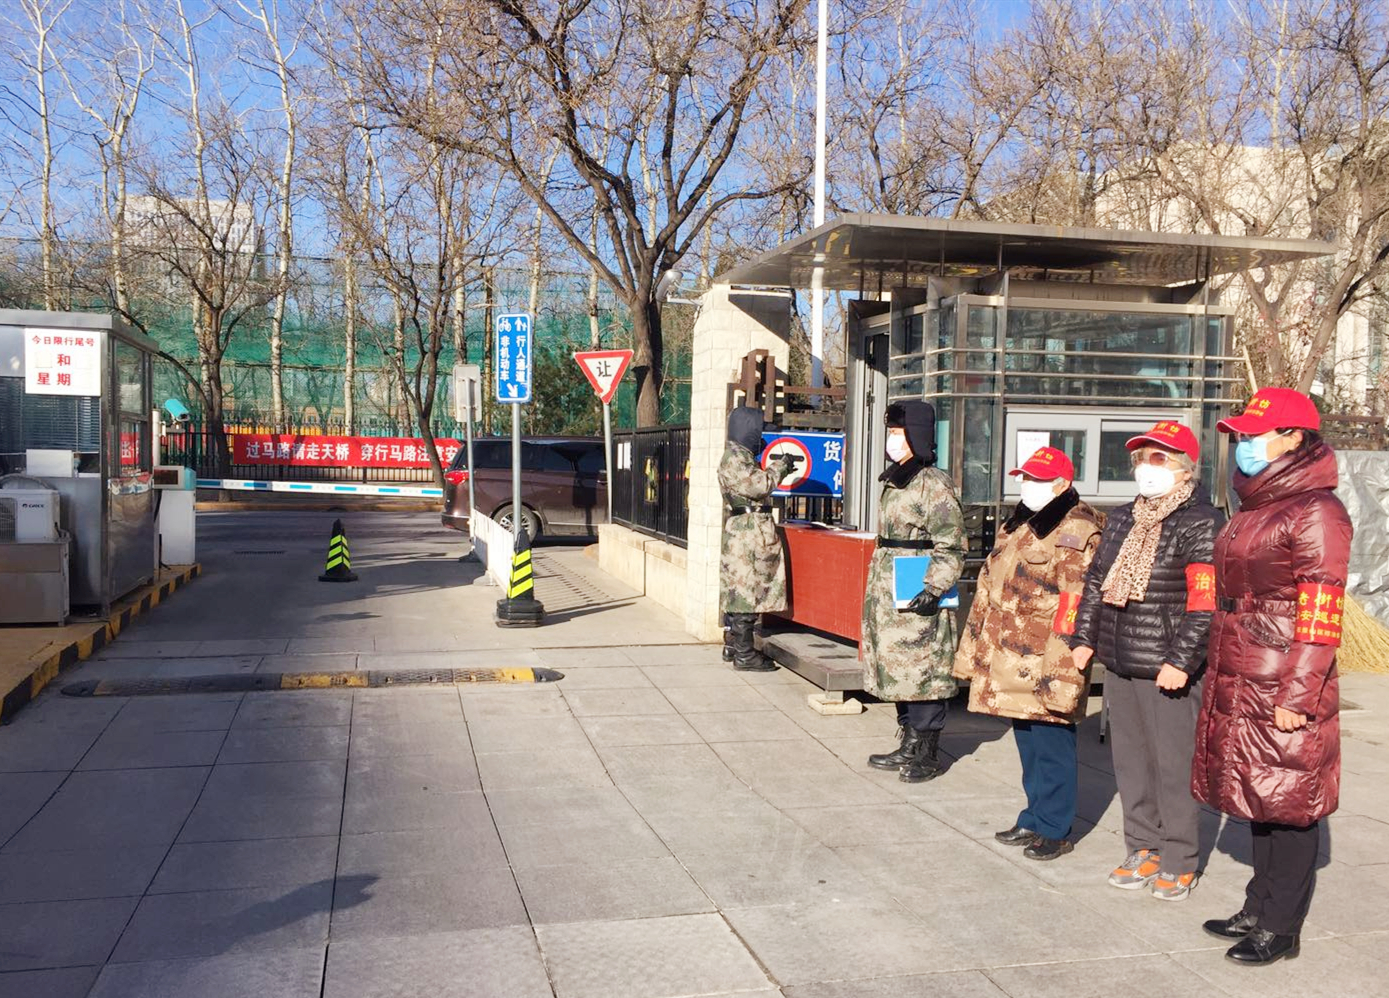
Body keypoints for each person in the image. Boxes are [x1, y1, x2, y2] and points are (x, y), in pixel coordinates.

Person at [1193, 388, 1351, 965]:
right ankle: (1258, 906)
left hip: (1282, 676)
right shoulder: (1258, 504)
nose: (1244, 444)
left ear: (1293, 438)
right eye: (1241, 435)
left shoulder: (1316, 511)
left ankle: (1281, 926)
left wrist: (1298, 694)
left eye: (1255, 435)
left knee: (1289, 800)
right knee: (1260, 793)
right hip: (1243, 668)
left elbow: (1320, 612)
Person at [1068, 420, 1223, 901]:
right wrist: (1084, 637)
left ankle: (1179, 858)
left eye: (1158, 458)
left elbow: (1205, 602)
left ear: (1185, 468)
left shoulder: (1201, 521)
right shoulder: (1122, 518)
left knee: (1173, 767)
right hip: (1120, 659)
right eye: (1140, 458)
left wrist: (1181, 659)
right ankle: (1143, 846)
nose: (1145, 468)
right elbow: (1096, 582)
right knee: (1131, 764)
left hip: (1166, 667)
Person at [953, 446, 1103, 860]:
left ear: (1062, 484)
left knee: (1052, 743)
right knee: (1028, 742)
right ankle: (1034, 816)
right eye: (1026, 478)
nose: (1028, 486)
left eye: (1038, 480)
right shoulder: (1020, 523)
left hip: (1047, 658)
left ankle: (1055, 827)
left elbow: (1076, 599)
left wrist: (1064, 666)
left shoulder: (1075, 529)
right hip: (1012, 655)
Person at [863, 400, 967, 783]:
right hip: (890, 588)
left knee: (924, 667)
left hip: (918, 586)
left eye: (898, 432)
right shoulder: (897, 479)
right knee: (899, 667)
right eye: (890, 432)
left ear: (916, 435)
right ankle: (908, 740)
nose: (892, 439)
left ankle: (927, 752)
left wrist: (935, 586)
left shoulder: (932, 483)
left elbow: (951, 542)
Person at [719, 406, 797, 672]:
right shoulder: (736, 458)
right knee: (747, 589)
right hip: (748, 532)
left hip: (745, 529)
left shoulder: (739, 456)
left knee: (739, 588)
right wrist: (781, 466)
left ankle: (733, 647)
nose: (760, 436)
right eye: (757, 431)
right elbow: (759, 486)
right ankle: (744, 654)